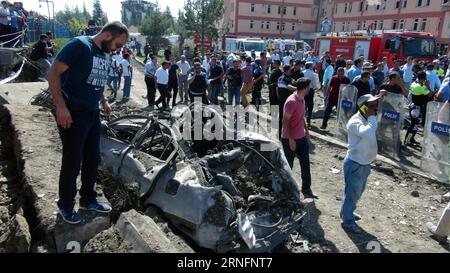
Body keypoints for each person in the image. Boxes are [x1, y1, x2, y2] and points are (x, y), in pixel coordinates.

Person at [47, 21, 128, 224]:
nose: (118, 50)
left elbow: (96, 81)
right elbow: (53, 73)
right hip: (73, 114)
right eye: (118, 45)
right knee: (72, 162)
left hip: (93, 114)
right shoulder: (79, 46)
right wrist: (60, 107)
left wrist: (104, 101)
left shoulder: (103, 54)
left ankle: (88, 200)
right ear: (108, 35)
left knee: (92, 159)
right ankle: (66, 205)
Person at [340, 93, 384, 233]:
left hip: (364, 162)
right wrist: (372, 119)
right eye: (371, 106)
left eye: (376, 105)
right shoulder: (355, 122)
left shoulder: (367, 119)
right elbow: (367, 133)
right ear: (364, 108)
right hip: (355, 163)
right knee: (352, 194)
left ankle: (347, 213)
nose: (375, 108)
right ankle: (347, 221)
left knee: (357, 193)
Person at [281, 77, 315, 199]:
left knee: (305, 164)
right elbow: (285, 122)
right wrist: (290, 139)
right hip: (289, 139)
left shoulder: (302, 98)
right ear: (305, 88)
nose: (310, 89)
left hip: (301, 138)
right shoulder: (291, 101)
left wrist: (306, 129)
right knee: (288, 166)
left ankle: (306, 189)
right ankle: (286, 191)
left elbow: (301, 116)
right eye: (309, 87)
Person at [404, 71, 433, 146]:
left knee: (415, 125)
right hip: (416, 108)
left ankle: (411, 139)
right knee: (413, 125)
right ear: (424, 78)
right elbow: (430, 94)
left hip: (413, 106)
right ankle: (407, 141)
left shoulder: (414, 83)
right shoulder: (421, 86)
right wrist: (427, 86)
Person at [303, 61, 320, 127]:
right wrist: (315, 88)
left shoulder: (302, 72)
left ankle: (301, 118)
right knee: (310, 105)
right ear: (310, 66)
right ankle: (308, 120)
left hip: (302, 90)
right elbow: (315, 84)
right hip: (310, 90)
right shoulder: (313, 74)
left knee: (303, 104)